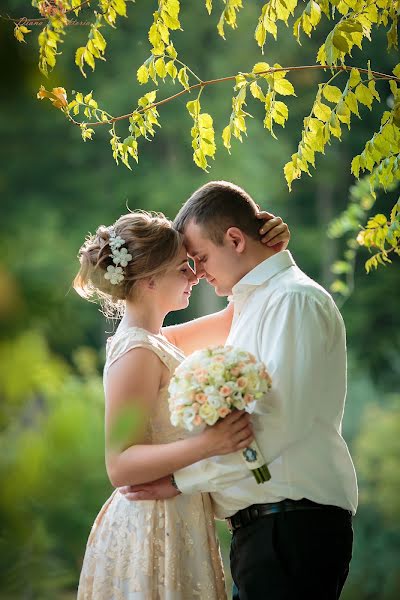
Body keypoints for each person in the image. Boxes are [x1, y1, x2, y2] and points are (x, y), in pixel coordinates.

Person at [121, 181, 358, 600]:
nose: (197, 272)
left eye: (201, 258)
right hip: (269, 530)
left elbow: (274, 427)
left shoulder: (292, 301)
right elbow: (158, 345)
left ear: (234, 238)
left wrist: (181, 480)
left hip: (290, 526)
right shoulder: (255, 305)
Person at [73, 207, 290, 599]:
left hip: (177, 515)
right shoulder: (135, 351)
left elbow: (232, 317)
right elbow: (119, 464)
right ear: (151, 279)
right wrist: (211, 443)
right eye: (182, 267)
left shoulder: (156, 340)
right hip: (152, 523)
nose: (195, 275)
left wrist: (267, 251)